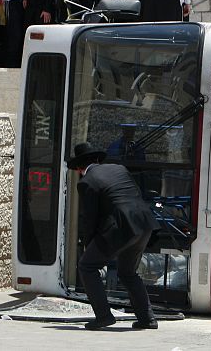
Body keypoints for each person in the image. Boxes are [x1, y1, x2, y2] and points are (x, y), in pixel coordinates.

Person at [67, 142, 161, 331]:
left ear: (79, 168)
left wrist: (88, 244)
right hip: (144, 224)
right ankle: (147, 319)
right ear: (96, 160)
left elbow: (90, 218)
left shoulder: (86, 182)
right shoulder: (119, 168)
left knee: (87, 266)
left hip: (119, 229)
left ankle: (103, 316)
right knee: (128, 272)